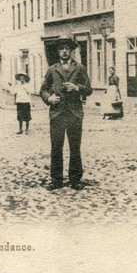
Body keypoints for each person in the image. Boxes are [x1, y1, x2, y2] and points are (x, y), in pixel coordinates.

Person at [39, 36, 92, 191]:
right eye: (61, 48)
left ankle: (75, 179)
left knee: (75, 147)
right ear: (58, 51)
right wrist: (49, 98)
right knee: (56, 147)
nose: (64, 51)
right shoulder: (52, 69)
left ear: (71, 51)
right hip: (57, 114)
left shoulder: (80, 68)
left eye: (67, 48)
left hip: (74, 114)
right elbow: (42, 90)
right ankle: (56, 180)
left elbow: (89, 89)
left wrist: (77, 88)